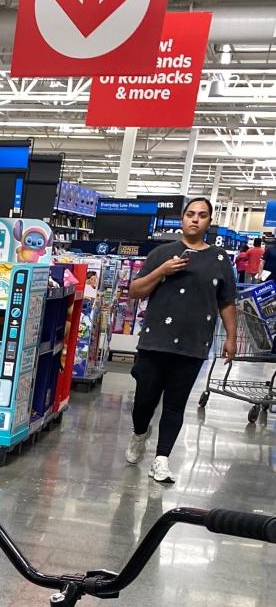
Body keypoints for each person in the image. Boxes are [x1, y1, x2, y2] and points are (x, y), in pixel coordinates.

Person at [125, 196, 236, 484]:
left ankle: (161, 459)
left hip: (193, 343)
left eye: (201, 215)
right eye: (190, 214)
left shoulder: (220, 260)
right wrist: (163, 271)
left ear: (209, 222)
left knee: (175, 403)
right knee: (144, 399)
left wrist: (232, 337)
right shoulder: (162, 253)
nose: (195, 219)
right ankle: (139, 434)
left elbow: (226, 301)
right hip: (155, 341)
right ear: (181, 219)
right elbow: (135, 291)